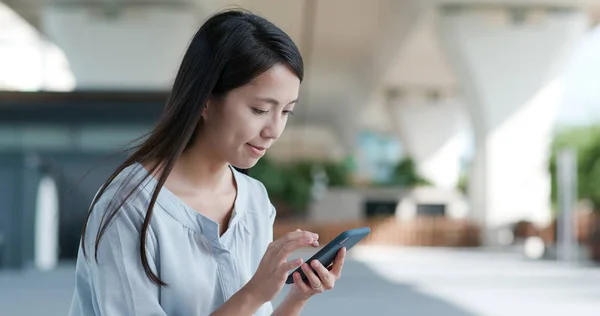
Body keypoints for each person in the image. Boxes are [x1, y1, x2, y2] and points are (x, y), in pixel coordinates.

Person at [68, 9, 346, 316]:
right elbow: (251, 301)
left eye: (286, 112)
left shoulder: (255, 200)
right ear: (205, 99)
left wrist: (297, 298)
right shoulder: (128, 207)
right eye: (259, 110)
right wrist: (254, 293)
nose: (274, 131)